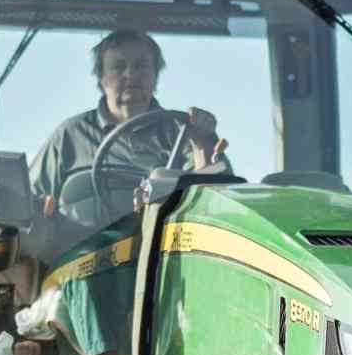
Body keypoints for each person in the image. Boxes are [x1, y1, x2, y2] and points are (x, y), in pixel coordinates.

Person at [30, 27, 229, 221]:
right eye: (118, 67)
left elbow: (212, 206)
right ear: (101, 79)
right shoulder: (70, 134)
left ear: (155, 76)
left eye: (141, 66)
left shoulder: (184, 131)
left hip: (157, 242)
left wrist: (202, 146)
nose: (131, 75)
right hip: (77, 243)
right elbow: (28, 200)